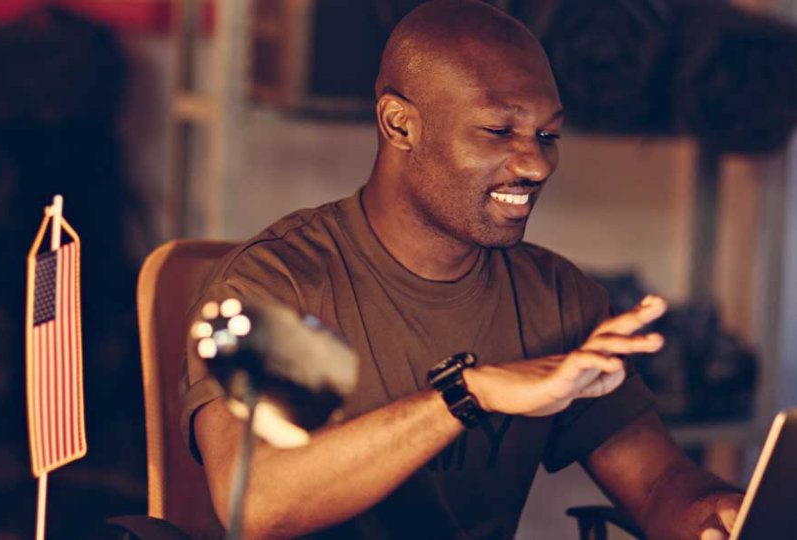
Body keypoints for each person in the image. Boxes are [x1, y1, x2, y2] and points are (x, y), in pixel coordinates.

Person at [182, 1, 743, 538]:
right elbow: (256, 504)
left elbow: (657, 485)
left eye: (548, 135)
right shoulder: (272, 284)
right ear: (400, 125)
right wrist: (466, 394)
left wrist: (719, 513)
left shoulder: (558, 299)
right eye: (499, 131)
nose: (535, 164)